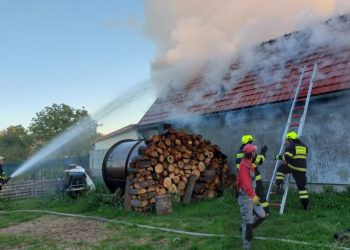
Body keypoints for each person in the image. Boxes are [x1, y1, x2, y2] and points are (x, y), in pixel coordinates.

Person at [237, 144, 266, 249]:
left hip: (251, 195)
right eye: (254, 151)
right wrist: (253, 196)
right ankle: (246, 246)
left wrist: (254, 195)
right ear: (252, 154)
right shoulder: (243, 166)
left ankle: (244, 228)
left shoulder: (249, 163)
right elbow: (245, 185)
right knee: (248, 223)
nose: (255, 153)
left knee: (262, 215)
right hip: (246, 196)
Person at [236, 135, 270, 216]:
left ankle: (252, 213)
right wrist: (263, 152)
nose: (252, 144)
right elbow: (260, 161)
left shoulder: (238, 153)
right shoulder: (250, 152)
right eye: (251, 142)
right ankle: (266, 212)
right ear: (249, 142)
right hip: (255, 179)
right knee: (260, 194)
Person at [275, 131, 309, 210]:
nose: (287, 142)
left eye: (288, 140)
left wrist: (278, 157)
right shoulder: (304, 146)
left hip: (293, 166)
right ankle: (306, 205)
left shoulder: (291, 146)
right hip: (302, 169)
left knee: (280, 168)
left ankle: (279, 185)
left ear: (291, 139)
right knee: (302, 188)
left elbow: (287, 157)